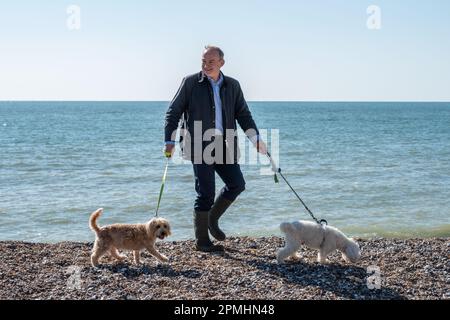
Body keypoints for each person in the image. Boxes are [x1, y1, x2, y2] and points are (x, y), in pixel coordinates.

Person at [164, 45, 267, 252]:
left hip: (225, 143)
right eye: (203, 61)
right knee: (205, 193)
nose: (206, 65)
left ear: (221, 62)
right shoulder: (190, 83)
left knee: (236, 183)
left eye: (211, 61)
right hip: (198, 145)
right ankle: (202, 242)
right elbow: (173, 112)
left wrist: (255, 138)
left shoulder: (232, 85)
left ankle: (211, 218)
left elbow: (244, 115)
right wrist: (169, 141)